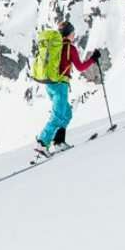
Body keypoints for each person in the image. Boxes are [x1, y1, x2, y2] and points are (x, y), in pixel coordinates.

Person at [30, 18, 98, 153]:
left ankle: (59, 142)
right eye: (73, 33)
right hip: (60, 85)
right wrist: (93, 59)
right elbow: (80, 67)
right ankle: (42, 143)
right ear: (68, 34)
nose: (74, 35)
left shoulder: (55, 46)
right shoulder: (69, 48)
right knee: (58, 116)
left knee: (66, 113)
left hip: (49, 84)